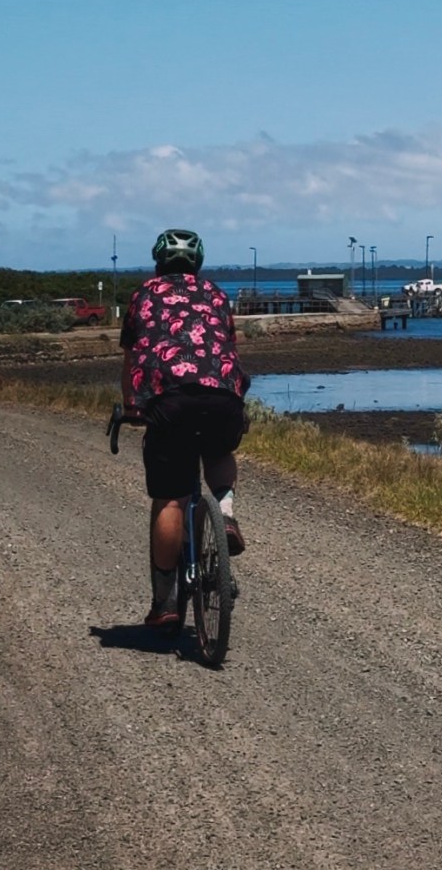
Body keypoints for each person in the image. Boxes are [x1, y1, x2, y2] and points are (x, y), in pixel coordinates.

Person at [120, 228, 250, 629]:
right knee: (218, 452)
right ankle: (225, 514)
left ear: (158, 261)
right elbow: (228, 347)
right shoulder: (215, 294)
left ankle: (165, 604)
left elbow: (131, 360)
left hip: (170, 402)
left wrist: (132, 405)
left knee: (170, 499)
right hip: (222, 397)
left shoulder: (143, 295)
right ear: (198, 263)